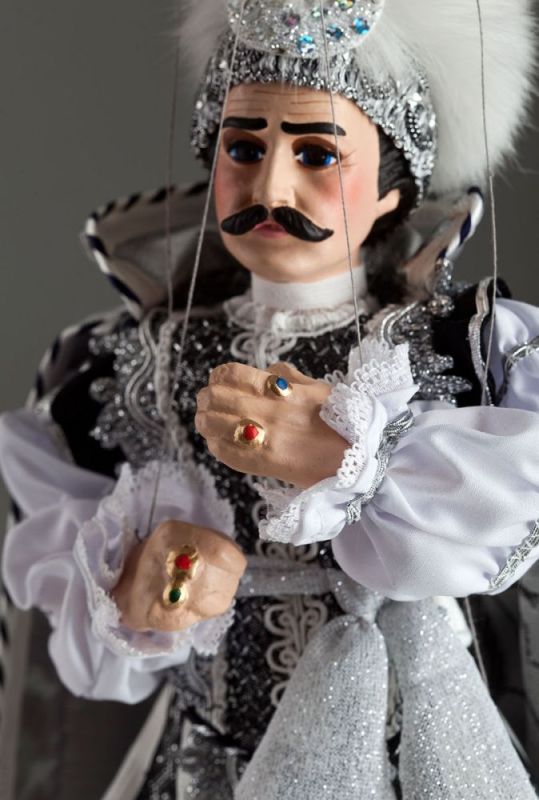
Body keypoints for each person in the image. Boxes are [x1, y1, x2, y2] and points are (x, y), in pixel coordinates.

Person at [1, 0, 539, 797]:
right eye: (244, 148)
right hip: (204, 759)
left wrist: (358, 464)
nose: (270, 185)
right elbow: (59, 581)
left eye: (316, 154)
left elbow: (506, 519)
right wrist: (139, 586)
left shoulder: (454, 350)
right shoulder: (126, 360)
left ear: (392, 188)